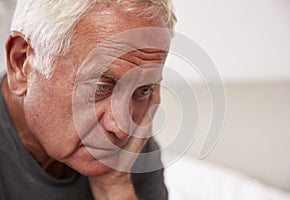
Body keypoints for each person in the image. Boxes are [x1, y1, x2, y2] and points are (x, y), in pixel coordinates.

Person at [0, 0, 176, 199]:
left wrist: (115, 185)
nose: (122, 128)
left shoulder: (131, 152)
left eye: (143, 90)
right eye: (101, 87)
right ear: (21, 63)